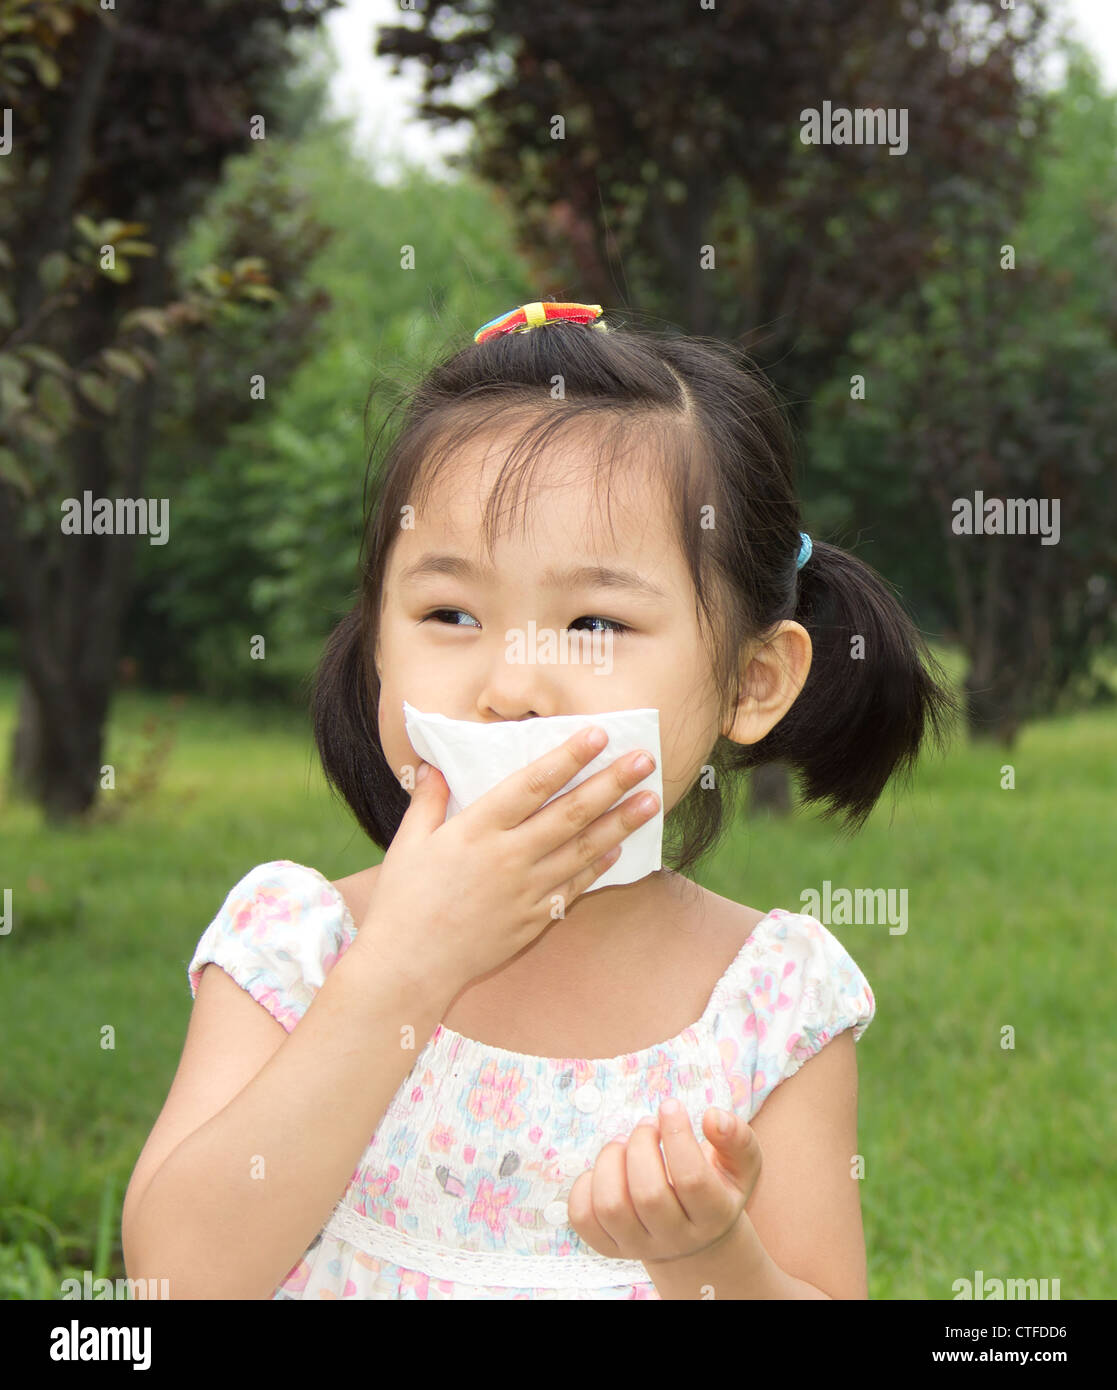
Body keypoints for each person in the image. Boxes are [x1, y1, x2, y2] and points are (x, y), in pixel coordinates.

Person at [121, 301, 956, 1300]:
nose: (511, 684)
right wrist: (401, 969)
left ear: (750, 682)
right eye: (450, 612)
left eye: (594, 621)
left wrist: (706, 1255)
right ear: (380, 640)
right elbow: (176, 1278)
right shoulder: (293, 951)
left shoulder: (769, 1003)